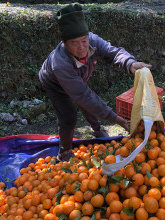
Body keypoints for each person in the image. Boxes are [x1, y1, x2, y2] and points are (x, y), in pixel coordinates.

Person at [38, 3, 151, 161]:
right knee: (69, 116)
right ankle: (64, 152)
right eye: (74, 43)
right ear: (64, 43)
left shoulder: (92, 40)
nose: (82, 47)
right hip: (54, 83)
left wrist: (130, 64)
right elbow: (83, 96)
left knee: (87, 102)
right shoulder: (60, 64)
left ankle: (97, 130)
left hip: (78, 77)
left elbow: (113, 52)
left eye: (84, 41)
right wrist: (116, 119)